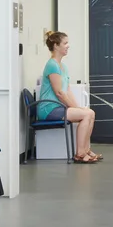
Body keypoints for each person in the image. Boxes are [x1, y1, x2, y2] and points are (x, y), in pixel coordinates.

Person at [35, 30, 102, 163]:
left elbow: (67, 90)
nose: (68, 46)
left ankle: (86, 149)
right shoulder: (52, 65)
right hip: (49, 109)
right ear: (56, 45)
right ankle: (80, 154)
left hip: (58, 108)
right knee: (86, 114)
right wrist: (77, 109)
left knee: (90, 113)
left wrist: (78, 107)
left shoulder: (63, 66)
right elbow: (60, 93)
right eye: (65, 43)